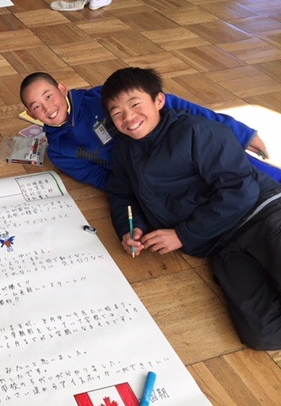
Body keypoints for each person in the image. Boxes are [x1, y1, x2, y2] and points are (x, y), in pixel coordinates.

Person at [101, 67, 281, 351]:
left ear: (159, 101)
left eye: (135, 105)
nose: (128, 117)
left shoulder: (195, 131)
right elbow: (121, 195)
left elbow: (240, 190)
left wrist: (182, 235)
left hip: (262, 215)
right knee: (264, 334)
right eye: (117, 112)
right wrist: (131, 227)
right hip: (220, 244)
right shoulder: (125, 152)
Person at [19, 72, 281, 190]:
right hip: (154, 177)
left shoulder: (100, 96)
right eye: (37, 106)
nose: (48, 108)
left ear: (62, 89)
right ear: (31, 114)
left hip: (180, 146)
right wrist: (136, 189)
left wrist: (240, 133)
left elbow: (174, 104)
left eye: (49, 96)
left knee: (246, 169)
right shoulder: (60, 150)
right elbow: (99, 178)